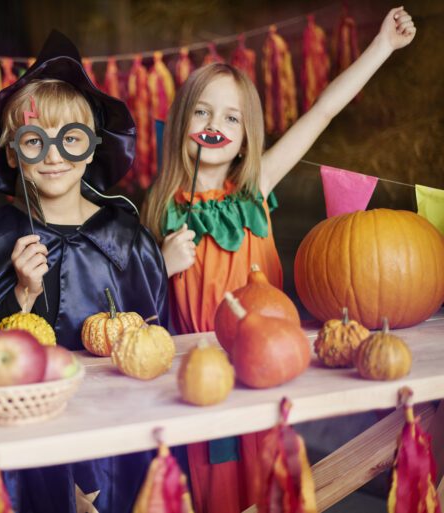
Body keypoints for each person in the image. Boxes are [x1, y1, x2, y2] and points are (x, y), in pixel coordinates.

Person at [141, 7, 416, 513]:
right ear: (181, 122)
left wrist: (382, 46)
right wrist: (161, 264)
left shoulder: (255, 188)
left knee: (270, 474)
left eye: (231, 117)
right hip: (203, 376)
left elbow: (322, 113)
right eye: (202, 112)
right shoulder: (161, 210)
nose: (214, 125)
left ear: (248, 135)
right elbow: (141, 308)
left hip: (265, 368)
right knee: (212, 484)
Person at [0, 31, 178, 512]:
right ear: (13, 153)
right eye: (35, 141)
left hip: (117, 441)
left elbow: (158, 347)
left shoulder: (127, 237)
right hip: (27, 447)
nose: (54, 156)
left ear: (92, 148)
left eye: (70, 139)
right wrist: (21, 294)